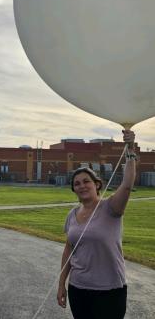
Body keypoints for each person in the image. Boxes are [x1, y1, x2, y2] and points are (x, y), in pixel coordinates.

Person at [57, 130, 136, 319]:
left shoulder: (111, 208)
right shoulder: (72, 215)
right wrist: (61, 284)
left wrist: (130, 151)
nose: (82, 186)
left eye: (86, 181)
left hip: (109, 291)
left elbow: (127, 184)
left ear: (97, 184)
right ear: (73, 189)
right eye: (77, 184)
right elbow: (69, 250)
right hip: (78, 288)